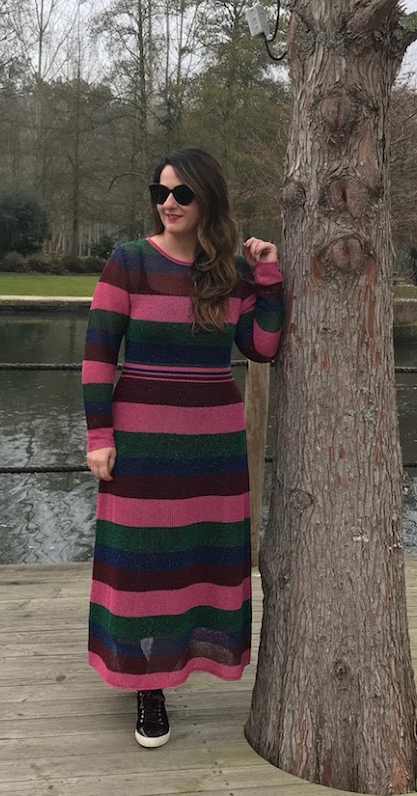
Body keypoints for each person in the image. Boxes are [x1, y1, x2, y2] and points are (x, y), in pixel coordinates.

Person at [82, 147, 284, 748]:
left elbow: (263, 347)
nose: (168, 203)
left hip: (212, 448)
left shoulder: (233, 273)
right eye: (160, 192)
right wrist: (99, 437)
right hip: (141, 444)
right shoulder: (129, 262)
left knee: (199, 561)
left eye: (181, 193)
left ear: (206, 199)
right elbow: (98, 356)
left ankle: (184, 662)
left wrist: (268, 276)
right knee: (142, 563)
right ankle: (148, 686)